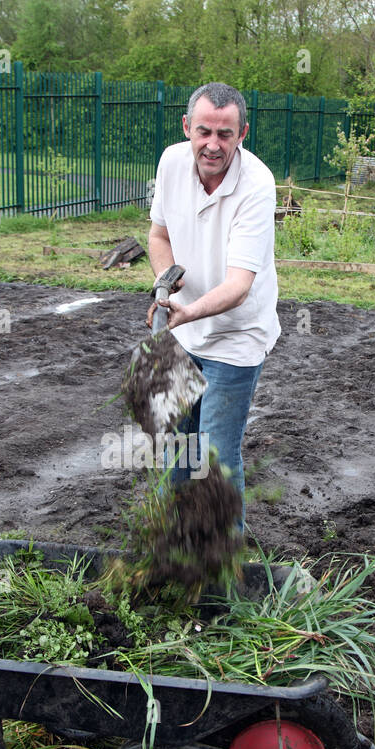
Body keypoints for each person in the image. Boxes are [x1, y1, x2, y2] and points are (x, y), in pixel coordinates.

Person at [147, 81, 280, 523]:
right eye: (203, 131)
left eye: (225, 134)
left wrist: (189, 311)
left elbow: (239, 284)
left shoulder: (257, 185)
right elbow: (159, 235)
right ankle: (178, 545)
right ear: (187, 127)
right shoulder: (169, 163)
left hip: (236, 337)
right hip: (182, 330)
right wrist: (166, 286)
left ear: (243, 134)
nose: (212, 144)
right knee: (179, 449)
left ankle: (225, 564)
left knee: (216, 454)